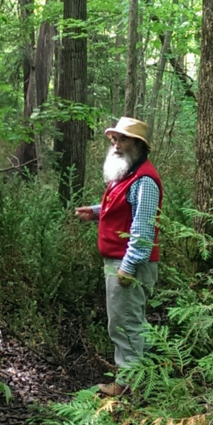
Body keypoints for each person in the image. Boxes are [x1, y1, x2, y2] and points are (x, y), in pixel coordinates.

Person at [75, 116, 162, 397]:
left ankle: (128, 386)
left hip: (128, 264)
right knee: (128, 321)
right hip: (121, 262)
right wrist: (95, 211)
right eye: (114, 139)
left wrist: (128, 266)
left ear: (138, 145)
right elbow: (124, 206)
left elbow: (143, 228)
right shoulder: (129, 174)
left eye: (123, 140)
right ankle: (143, 377)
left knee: (125, 324)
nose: (115, 145)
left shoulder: (145, 180)